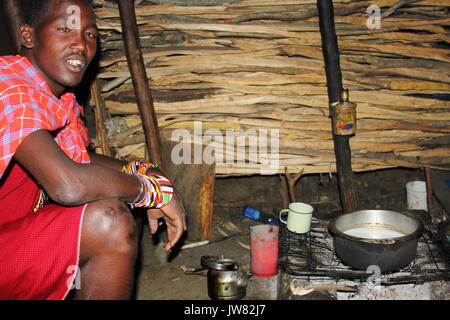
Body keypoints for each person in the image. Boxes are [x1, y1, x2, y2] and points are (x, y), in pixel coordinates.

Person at [0, 0, 187, 300]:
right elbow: (68, 184)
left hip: (11, 243)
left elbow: (80, 161)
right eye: (65, 28)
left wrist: (148, 173)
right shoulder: (9, 88)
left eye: (90, 35)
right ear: (28, 37)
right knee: (110, 220)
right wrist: (150, 191)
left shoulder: (55, 99)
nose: (80, 44)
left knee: (117, 194)